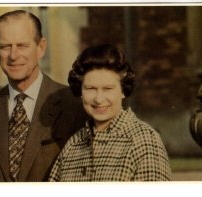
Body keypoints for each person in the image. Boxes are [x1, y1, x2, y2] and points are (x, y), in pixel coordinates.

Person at [0, 10, 87, 182]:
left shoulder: (74, 105)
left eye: (22, 45)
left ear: (41, 48)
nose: (14, 55)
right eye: (5, 46)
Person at [49, 44, 172, 181]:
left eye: (108, 88)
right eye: (90, 88)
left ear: (123, 90)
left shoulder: (144, 141)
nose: (99, 99)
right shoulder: (73, 145)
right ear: (81, 91)